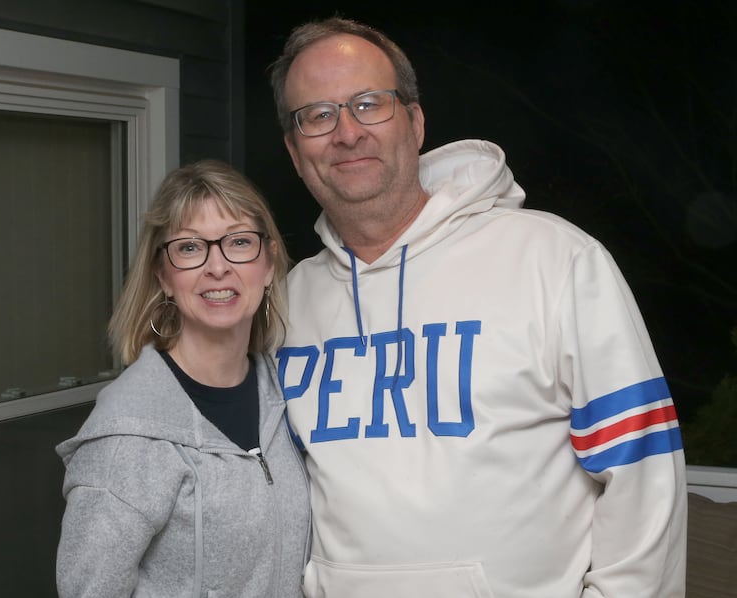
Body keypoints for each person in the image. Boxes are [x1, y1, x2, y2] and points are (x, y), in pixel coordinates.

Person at [268, 16, 687, 598]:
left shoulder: (553, 260)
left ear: (415, 122)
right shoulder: (285, 304)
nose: (347, 132)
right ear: (294, 151)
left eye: (369, 104)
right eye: (317, 115)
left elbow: (645, 473)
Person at [55, 159, 310, 597]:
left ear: (268, 265)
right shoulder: (129, 434)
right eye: (190, 248)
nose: (217, 267)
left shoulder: (286, 391)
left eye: (239, 242)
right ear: (164, 276)